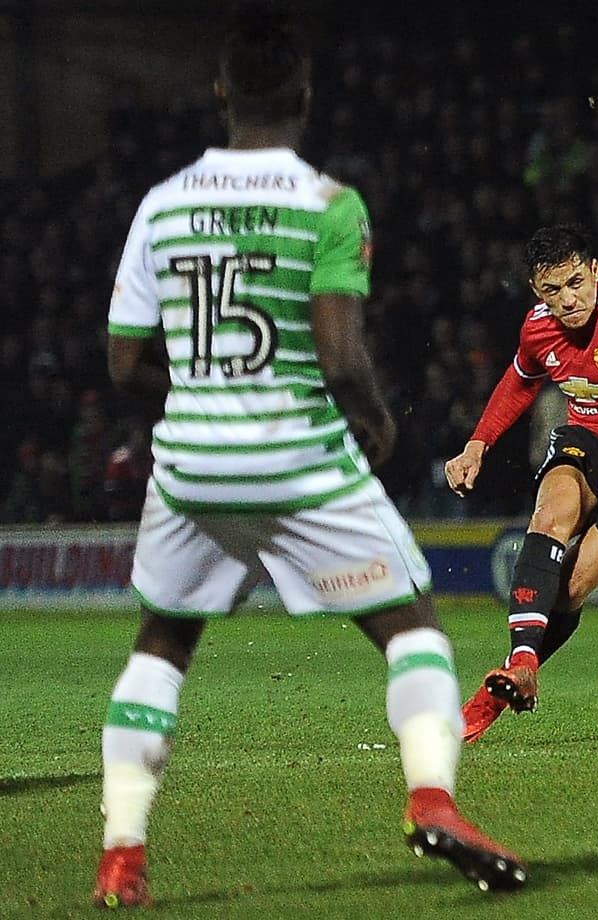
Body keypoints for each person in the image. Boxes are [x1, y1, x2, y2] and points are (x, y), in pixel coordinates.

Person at [92, 7, 526, 908]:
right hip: (299, 459)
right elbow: (338, 355)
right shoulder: (329, 204)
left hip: (190, 467)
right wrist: (376, 416)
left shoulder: (161, 205)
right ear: (304, 96)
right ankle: (432, 800)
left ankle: (121, 856)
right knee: (411, 628)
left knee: (163, 643)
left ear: (221, 93)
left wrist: (206, 393)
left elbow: (125, 363)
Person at [444, 223, 598, 742]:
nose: (568, 300)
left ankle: (513, 673)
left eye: (576, 283)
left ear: (596, 271)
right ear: (536, 291)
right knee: (549, 514)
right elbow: (520, 379)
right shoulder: (539, 327)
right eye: (552, 290)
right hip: (587, 437)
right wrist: (478, 443)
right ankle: (520, 667)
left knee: (573, 587)